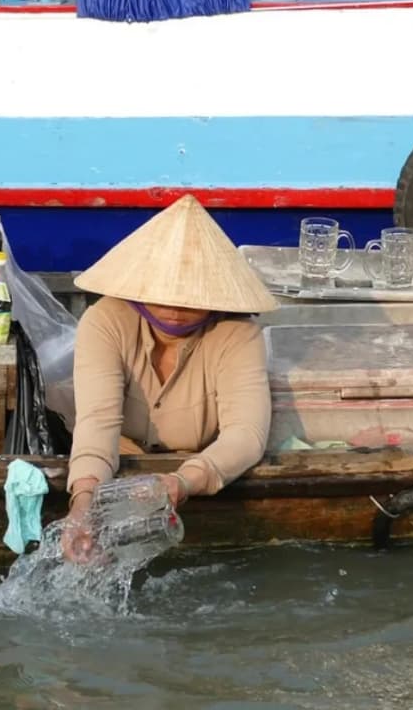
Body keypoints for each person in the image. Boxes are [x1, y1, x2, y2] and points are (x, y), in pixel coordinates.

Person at [60, 194, 279, 563]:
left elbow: (246, 434)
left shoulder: (238, 334)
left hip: (198, 464)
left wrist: (184, 481)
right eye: (164, 295)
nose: (175, 310)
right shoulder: (105, 321)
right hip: (119, 459)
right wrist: (82, 502)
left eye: (190, 298)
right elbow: (98, 421)